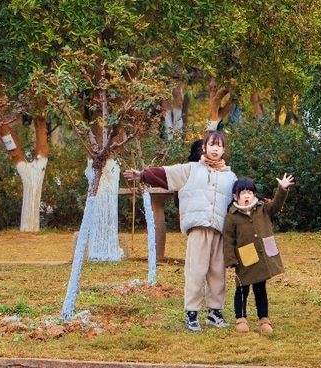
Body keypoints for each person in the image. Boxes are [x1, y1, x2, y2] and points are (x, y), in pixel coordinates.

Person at [123, 129, 236, 332]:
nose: (215, 149)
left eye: (219, 145)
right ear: (204, 147)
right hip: (198, 228)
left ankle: (215, 312)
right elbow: (165, 174)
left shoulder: (230, 176)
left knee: (218, 273)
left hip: (220, 231)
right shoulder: (191, 169)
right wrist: (142, 175)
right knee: (196, 271)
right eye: (211, 145)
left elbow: (243, 198)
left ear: (223, 149)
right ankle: (192, 314)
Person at [223, 173, 295, 335]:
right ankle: (241, 318)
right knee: (242, 289)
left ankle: (264, 319)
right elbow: (228, 240)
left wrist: (282, 189)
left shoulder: (263, 208)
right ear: (236, 196)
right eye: (243, 193)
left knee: (260, 289)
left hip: (262, 256)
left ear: (254, 194)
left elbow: (277, 204)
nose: (247, 195)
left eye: (250, 192)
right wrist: (230, 260)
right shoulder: (232, 216)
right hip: (244, 257)